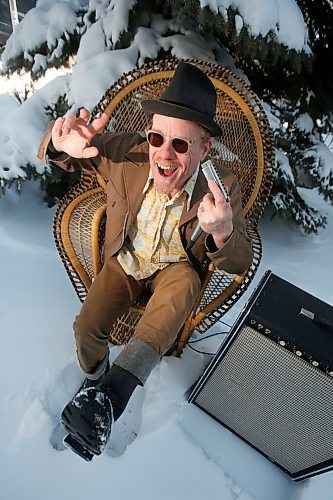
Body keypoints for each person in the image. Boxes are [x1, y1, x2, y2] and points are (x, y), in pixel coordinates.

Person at [38, 61, 253, 461]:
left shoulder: (221, 187)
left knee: (184, 284)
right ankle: (98, 379)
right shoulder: (130, 153)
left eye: (182, 144)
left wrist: (222, 231)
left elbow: (241, 259)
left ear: (205, 149)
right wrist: (57, 142)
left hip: (176, 267)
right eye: (158, 137)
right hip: (127, 260)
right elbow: (72, 154)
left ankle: (113, 397)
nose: (164, 154)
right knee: (86, 327)